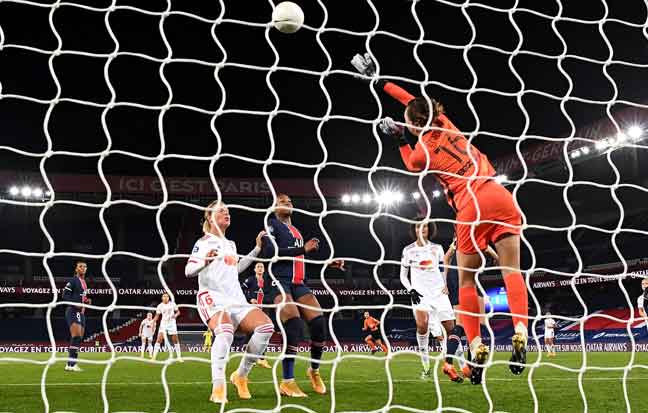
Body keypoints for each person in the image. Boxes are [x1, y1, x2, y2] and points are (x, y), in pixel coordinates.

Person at [351, 53, 528, 384]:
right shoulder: (447, 124)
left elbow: (410, 163)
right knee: (512, 270)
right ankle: (520, 329)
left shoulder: (422, 153)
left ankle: (475, 345)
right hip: (498, 192)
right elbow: (411, 100)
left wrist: (400, 137)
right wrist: (382, 81)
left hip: (470, 205)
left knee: (465, 282)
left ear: (414, 124)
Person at [185, 200, 274, 404]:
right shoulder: (203, 242)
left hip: (236, 298)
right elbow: (188, 271)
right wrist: (204, 262)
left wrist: (256, 250)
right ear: (210, 217)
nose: (227, 213)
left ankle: (240, 376)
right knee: (225, 331)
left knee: (266, 327)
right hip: (212, 297)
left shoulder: (230, 244)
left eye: (227, 210)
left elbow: (235, 269)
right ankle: (218, 387)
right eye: (221, 210)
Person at [261, 193, 344, 397]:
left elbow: (299, 260)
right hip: (279, 281)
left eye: (290, 201)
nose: (288, 203)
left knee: (318, 324)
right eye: (282, 202)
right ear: (274, 208)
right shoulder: (271, 224)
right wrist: (303, 248)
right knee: (294, 323)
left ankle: (313, 371)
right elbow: (271, 253)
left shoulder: (296, 231)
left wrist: (325, 263)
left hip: (299, 283)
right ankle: (287, 381)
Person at [400, 219, 463, 383]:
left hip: (438, 293)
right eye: (418, 226)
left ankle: (464, 366)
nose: (422, 229)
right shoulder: (408, 251)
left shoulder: (437, 248)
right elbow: (402, 276)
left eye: (425, 226)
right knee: (422, 325)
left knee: (452, 329)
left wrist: (445, 285)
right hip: (420, 295)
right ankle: (426, 367)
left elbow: (443, 268)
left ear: (430, 228)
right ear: (414, 230)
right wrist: (411, 290)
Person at [241, 262, 272, 369]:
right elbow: (242, 290)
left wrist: (266, 301)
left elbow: (270, 294)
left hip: (263, 309)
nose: (260, 268)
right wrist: (250, 299)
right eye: (258, 267)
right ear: (254, 269)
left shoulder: (267, 282)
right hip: (252, 309)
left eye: (262, 267)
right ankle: (252, 358)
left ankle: (261, 359)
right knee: (251, 333)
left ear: (264, 270)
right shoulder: (250, 280)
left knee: (265, 332)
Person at [62, 261, 91, 372]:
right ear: (76, 269)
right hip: (73, 310)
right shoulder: (73, 280)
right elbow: (65, 295)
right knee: (76, 336)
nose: (83, 268)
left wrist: (86, 301)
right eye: (80, 266)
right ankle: (72, 364)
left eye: (85, 266)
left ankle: (70, 364)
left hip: (82, 313)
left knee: (78, 339)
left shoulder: (84, 282)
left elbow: (81, 297)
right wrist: (75, 304)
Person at [152, 293, 182, 362]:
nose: (165, 297)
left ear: (169, 298)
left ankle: (179, 357)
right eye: (164, 296)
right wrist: (153, 322)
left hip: (172, 323)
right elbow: (157, 316)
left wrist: (175, 315)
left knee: (175, 340)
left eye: (167, 296)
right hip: (164, 324)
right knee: (159, 339)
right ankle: (153, 357)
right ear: (162, 298)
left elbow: (178, 312)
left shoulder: (173, 304)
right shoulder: (160, 306)